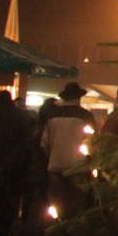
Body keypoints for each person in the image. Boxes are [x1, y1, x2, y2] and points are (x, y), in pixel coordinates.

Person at [41, 82, 95, 218]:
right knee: (77, 210)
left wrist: (52, 156)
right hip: (79, 168)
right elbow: (93, 142)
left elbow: (44, 143)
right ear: (79, 97)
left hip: (55, 167)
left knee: (57, 209)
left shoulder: (51, 116)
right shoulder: (86, 116)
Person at [0, 89, 35, 236]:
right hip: (19, 168)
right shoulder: (22, 118)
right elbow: (27, 143)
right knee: (14, 204)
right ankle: (13, 235)